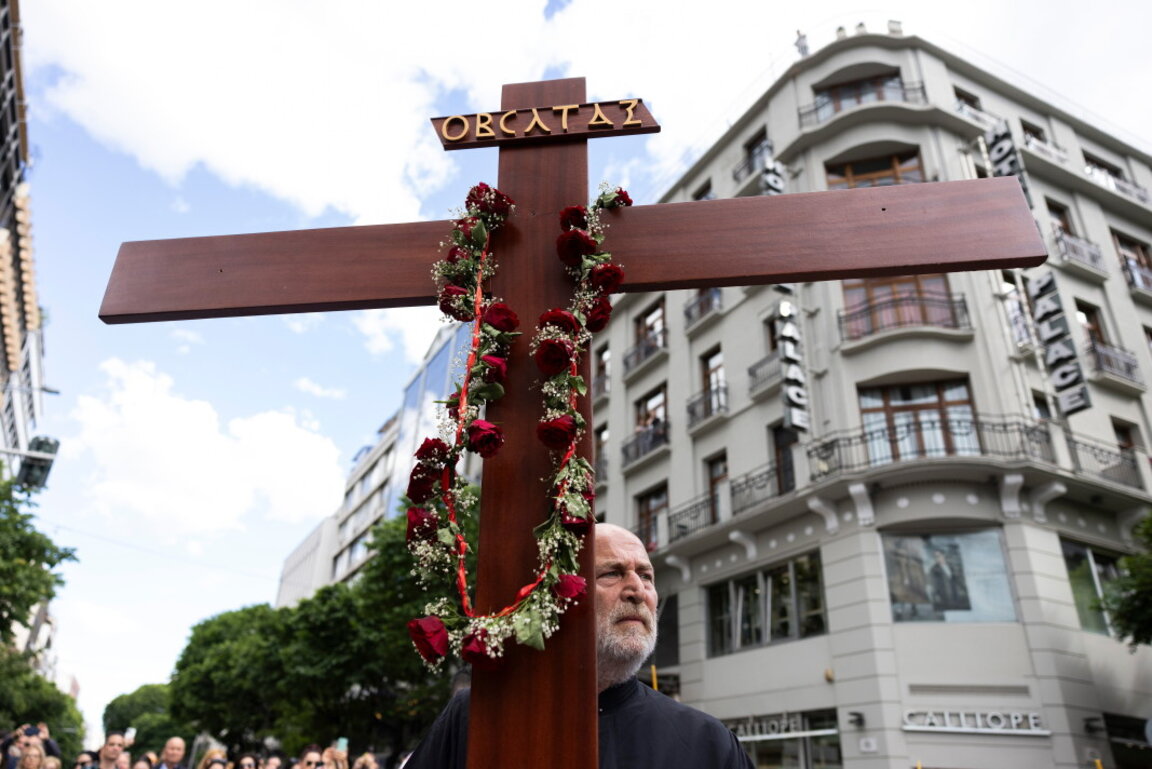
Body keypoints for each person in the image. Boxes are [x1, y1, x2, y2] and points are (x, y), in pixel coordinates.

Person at [403, 523, 755, 769]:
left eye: (646, 576)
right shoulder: (477, 715)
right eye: (612, 573)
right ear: (567, 595)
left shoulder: (710, 742)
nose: (637, 590)